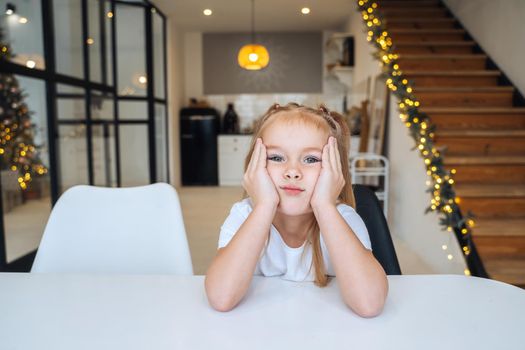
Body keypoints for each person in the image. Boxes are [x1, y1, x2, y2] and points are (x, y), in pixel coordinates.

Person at [205, 102, 388, 317]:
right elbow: (221, 297)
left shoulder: (342, 219)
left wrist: (324, 206)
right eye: (276, 158)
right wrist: (264, 205)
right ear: (254, 166)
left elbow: (369, 304)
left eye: (310, 159)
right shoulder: (244, 216)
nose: (292, 171)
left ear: (335, 171)